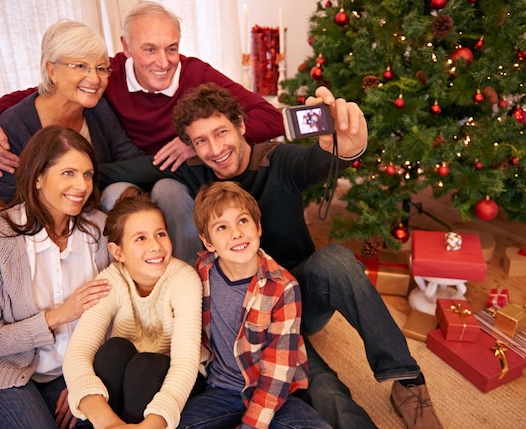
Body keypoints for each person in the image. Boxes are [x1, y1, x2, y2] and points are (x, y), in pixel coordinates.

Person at [97, 83, 443, 429]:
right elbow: (122, 171)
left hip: (293, 296)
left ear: (242, 126)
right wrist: (73, 178)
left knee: (334, 261)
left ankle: (408, 381)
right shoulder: (190, 169)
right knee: (323, 392)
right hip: (240, 315)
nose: (215, 149)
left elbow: (319, 160)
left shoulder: (279, 159)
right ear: (190, 146)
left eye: (221, 133)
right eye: (201, 141)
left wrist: (347, 150)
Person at [0, 1, 284, 263]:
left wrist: (198, 143)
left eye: (171, 48)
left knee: (167, 191)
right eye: (149, 49)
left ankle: (191, 286)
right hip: (132, 172)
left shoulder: (195, 74)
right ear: (126, 47)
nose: (163, 62)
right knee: (111, 189)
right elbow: (44, 93)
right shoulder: (107, 75)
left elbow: (271, 117)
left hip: (180, 175)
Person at [0, 20, 144, 429]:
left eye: (101, 67)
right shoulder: (16, 123)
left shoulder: (99, 111)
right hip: (11, 206)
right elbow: (9, 188)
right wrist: (59, 314)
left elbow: (125, 158)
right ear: (52, 70)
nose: (94, 78)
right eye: (80, 66)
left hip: (75, 216)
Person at [0, 126, 112, 429]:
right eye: (68, 173)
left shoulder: (99, 230)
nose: (81, 185)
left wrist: (84, 378)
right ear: (38, 177)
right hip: (0, 370)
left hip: (71, 370)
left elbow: (115, 317)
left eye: (88, 174)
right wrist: (57, 316)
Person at [178, 181, 331, 429]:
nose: (236, 233)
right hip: (221, 390)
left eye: (242, 221)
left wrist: (252, 424)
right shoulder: (201, 271)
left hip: (274, 392)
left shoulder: (283, 287)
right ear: (208, 242)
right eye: (222, 227)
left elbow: (278, 371)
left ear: (258, 227)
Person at [63, 192, 203, 429]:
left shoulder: (184, 279)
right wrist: (106, 422)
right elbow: (78, 352)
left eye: (160, 234)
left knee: (144, 366)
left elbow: (185, 363)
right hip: (125, 378)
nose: (156, 246)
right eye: (140, 238)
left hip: (175, 378)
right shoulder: (112, 279)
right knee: (114, 350)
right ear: (118, 253)